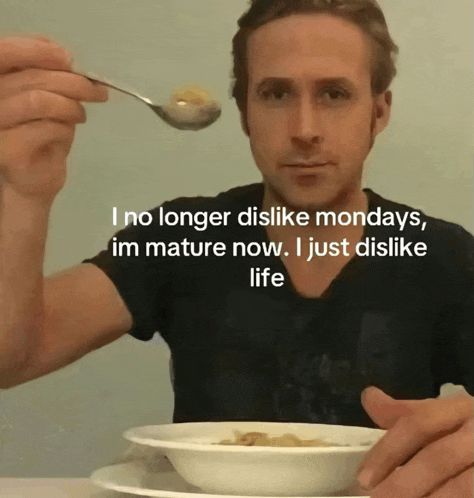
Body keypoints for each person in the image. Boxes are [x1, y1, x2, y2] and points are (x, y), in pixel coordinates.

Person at [0, 0, 472, 496]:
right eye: (275, 94)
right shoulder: (184, 235)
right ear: (245, 112)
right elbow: (13, 355)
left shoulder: (443, 256)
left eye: (334, 93)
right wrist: (25, 194)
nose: (305, 129)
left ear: (378, 112)